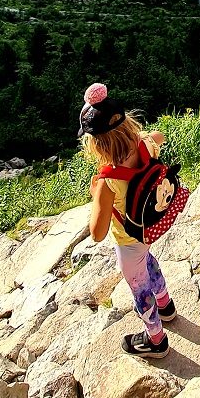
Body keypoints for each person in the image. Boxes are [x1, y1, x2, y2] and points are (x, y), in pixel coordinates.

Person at [79, 82, 176, 359]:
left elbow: (97, 233)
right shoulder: (145, 145)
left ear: (96, 145)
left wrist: (96, 194)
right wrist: (142, 138)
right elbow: (161, 136)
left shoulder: (107, 181)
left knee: (139, 286)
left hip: (128, 240)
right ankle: (166, 306)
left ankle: (155, 339)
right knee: (149, 263)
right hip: (150, 228)